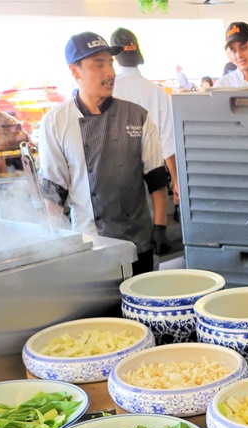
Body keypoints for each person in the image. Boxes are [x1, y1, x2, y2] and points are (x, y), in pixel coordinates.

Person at [38, 32, 169, 275]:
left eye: (110, 62)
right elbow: (54, 191)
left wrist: (160, 226)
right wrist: (57, 244)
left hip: (138, 242)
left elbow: (156, 177)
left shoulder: (137, 116)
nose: (109, 72)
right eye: (98, 64)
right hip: (90, 245)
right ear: (75, 71)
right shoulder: (55, 122)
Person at [109, 27, 179, 206]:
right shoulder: (157, 92)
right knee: (154, 226)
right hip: (154, 175)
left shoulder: (109, 91)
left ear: (115, 58)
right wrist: (177, 182)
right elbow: (167, 142)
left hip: (117, 176)